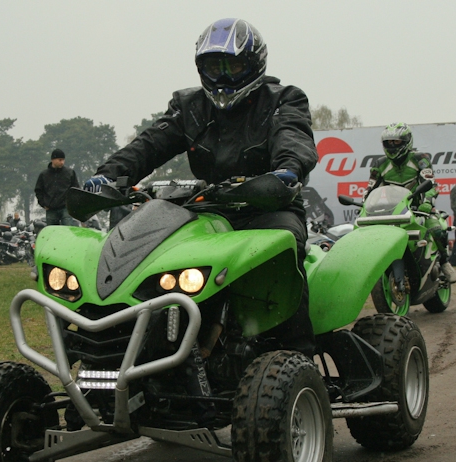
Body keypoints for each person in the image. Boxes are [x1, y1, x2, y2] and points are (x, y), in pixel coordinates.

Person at [83, 18, 318, 358]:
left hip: (268, 206)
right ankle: (131, 352)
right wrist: (108, 175)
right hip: (206, 209)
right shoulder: (189, 107)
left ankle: (299, 353)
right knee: (147, 261)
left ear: (253, 64)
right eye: (213, 66)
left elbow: (293, 135)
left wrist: (287, 169)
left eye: (233, 65)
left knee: (285, 246)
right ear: (200, 68)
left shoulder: (283, 100)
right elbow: (149, 145)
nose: (222, 77)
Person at [367, 122, 456, 283]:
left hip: (418, 208)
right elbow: (371, 189)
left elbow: (430, 184)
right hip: (392, 212)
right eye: (389, 142)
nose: (393, 146)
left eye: (397, 142)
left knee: (436, 229)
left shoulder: (420, 159)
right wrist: (365, 205)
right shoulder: (379, 164)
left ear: (407, 141)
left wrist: (428, 203)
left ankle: (444, 262)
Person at [34, 149, 80, 226]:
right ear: (53, 160)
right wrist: (43, 203)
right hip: (51, 209)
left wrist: (72, 203)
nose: (62, 162)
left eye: (63, 160)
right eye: (60, 160)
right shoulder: (44, 175)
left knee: (67, 231)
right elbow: (38, 190)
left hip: (66, 208)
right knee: (52, 234)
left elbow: (76, 189)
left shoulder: (70, 173)